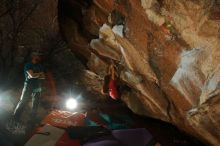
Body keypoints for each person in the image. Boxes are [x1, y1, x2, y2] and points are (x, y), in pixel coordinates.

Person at [13, 51, 46, 122]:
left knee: (35, 105)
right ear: (33, 56)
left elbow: (43, 77)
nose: (39, 57)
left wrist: (35, 74)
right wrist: (38, 74)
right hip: (28, 87)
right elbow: (32, 75)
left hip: (38, 87)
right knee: (23, 102)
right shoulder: (28, 65)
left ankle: (32, 120)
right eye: (38, 56)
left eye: (40, 56)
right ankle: (15, 119)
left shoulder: (40, 66)